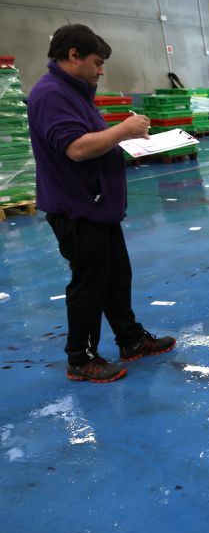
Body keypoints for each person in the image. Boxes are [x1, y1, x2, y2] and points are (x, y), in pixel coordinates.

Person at [28, 24, 176, 383]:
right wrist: (123, 131)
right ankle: (80, 357)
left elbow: (93, 140)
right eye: (96, 62)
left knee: (116, 277)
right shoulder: (51, 94)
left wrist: (124, 143)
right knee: (90, 284)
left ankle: (130, 339)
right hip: (76, 209)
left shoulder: (76, 91)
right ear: (73, 55)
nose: (100, 70)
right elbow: (76, 148)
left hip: (97, 207)